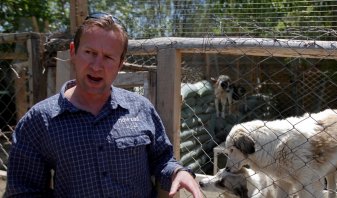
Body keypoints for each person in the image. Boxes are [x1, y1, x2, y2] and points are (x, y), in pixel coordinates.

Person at [5, 12, 203, 198]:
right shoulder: (39, 120)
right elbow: (23, 190)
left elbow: (162, 159)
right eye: (90, 52)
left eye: (108, 57)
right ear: (73, 52)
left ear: (120, 63)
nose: (97, 66)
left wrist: (178, 172)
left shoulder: (140, 108)